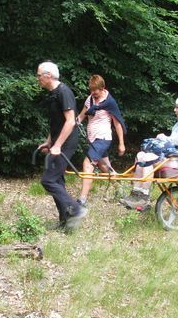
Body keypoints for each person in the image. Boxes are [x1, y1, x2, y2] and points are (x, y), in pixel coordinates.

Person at [120, 95, 178, 210]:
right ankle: (135, 194)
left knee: (148, 159)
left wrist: (163, 137)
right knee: (141, 155)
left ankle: (144, 198)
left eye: (177, 107)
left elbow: (175, 141)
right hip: (174, 157)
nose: (175, 110)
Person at [36, 61, 88, 230]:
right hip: (58, 141)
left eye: (39, 75)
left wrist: (58, 145)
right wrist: (49, 141)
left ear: (48, 75)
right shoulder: (53, 94)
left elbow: (70, 121)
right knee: (57, 180)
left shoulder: (63, 92)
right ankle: (65, 221)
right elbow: (56, 123)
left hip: (66, 143)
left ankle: (76, 209)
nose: (37, 79)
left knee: (48, 180)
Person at [76, 75, 126, 207]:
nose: (93, 93)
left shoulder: (110, 102)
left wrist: (121, 143)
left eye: (95, 91)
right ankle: (121, 191)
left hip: (103, 138)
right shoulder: (90, 99)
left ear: (102, 88)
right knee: (104, 166)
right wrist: (70, 124)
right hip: (92, 139)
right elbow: (81, 116)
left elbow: (117, 123)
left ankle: (82, 199)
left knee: (88, 164)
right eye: (91, 90)